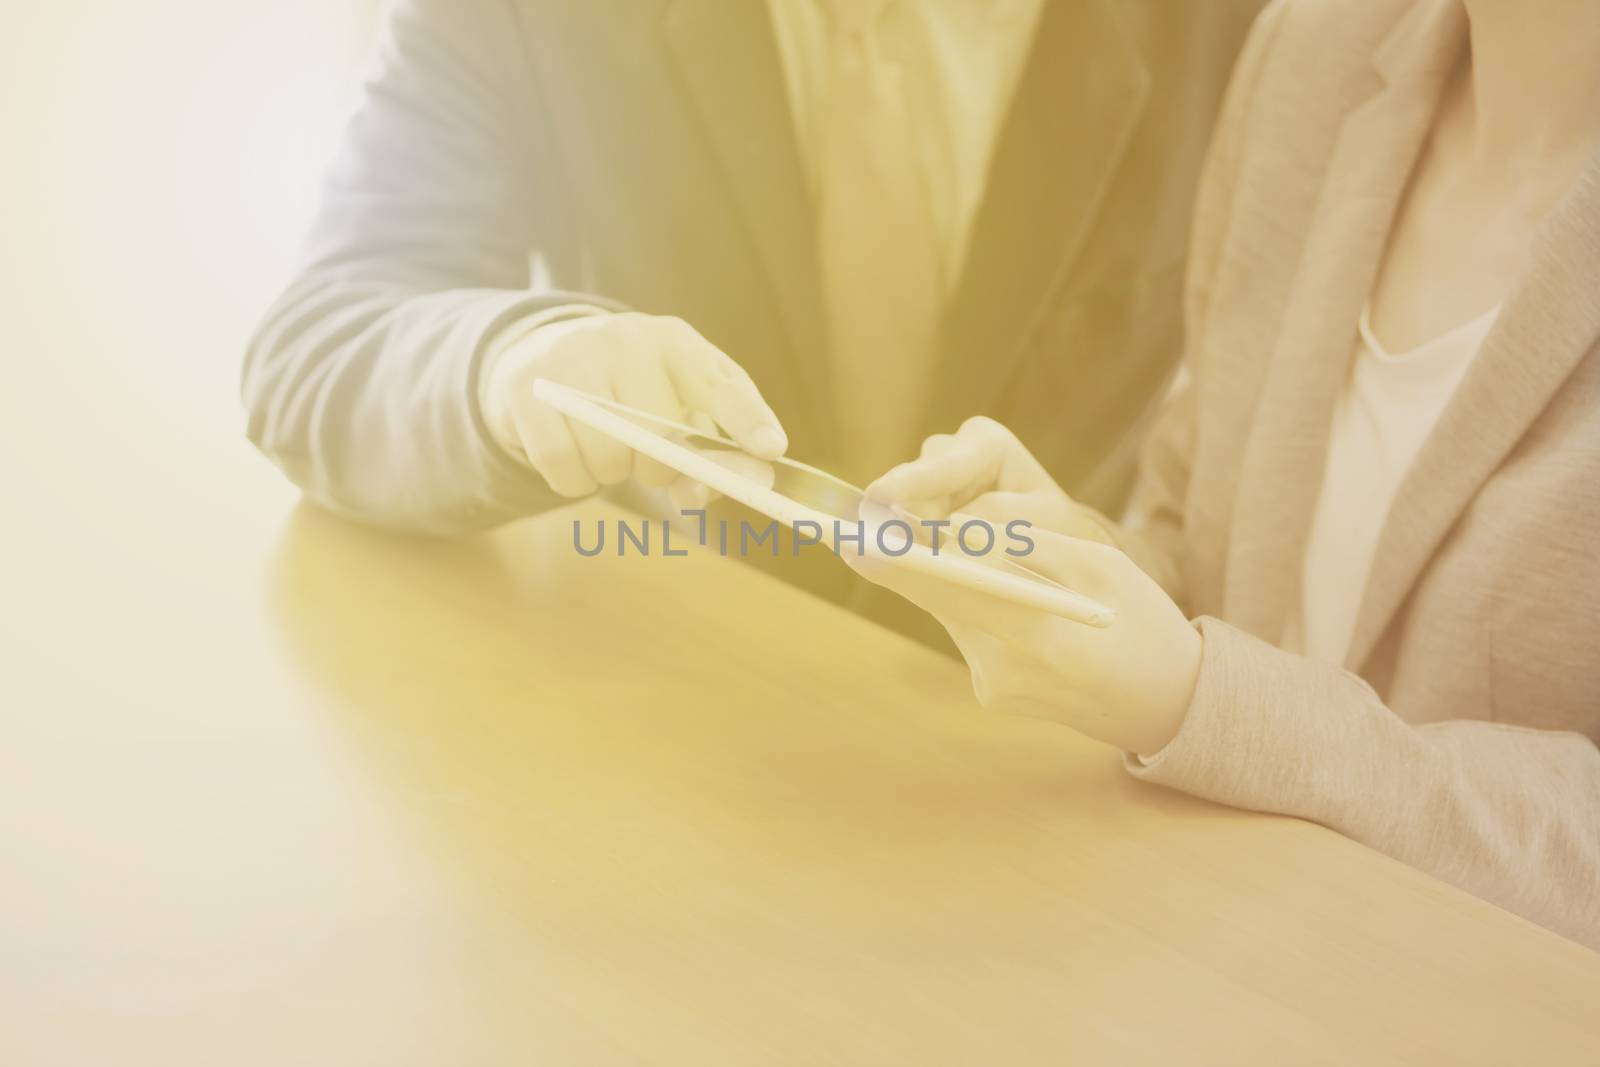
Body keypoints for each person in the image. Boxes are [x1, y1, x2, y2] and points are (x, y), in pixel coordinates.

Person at [852, 0, 1600, 948]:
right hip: (1186, 949)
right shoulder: (1310, 51)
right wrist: (1073, 563)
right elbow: (1192, 538)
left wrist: (1202, 698)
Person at [242, 0, 1260, 555]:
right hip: (669, 695)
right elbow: (321, 347)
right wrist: (517, 366)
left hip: (1044, 773)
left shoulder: (1257, 29)